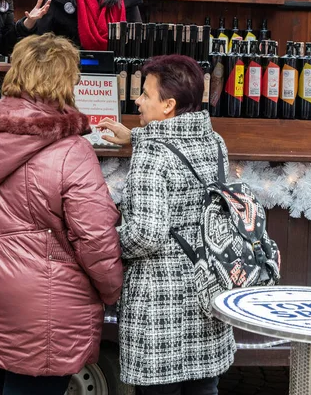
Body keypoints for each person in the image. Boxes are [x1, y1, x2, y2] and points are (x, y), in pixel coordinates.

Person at [0, 33, 123, 395]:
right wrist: (111, 289)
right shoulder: (73, 151)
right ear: (64, 82)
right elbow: (95, 238)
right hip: (45, 308)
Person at [97, 55, 236, 395]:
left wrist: (103, 243)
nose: (137, 100)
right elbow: (178, 149)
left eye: (145, 94)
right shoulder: (215, 143)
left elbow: (147, 234)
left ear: (168, 105)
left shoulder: (152, 155)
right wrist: (136, 138)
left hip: (161, 311)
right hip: (207, 297)